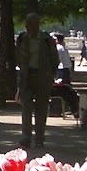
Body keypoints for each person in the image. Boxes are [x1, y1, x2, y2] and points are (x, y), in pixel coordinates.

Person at [15, 12, 56, 152]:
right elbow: (18, 57)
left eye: (31, 24)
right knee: (26, 108)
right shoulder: (22, 38)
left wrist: (50, 76)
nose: (28, 27)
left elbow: (54, 59)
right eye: (27, 24)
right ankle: (26, 137)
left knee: (41, 109)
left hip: (42, 78)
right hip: (27, 77)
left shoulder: (46, 40)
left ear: (37, 25)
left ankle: (39, 138)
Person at [52, 32, 80, 117]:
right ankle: (72, 108)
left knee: (66, 90)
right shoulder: (63, 48)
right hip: (64, 70)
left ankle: (69, 108)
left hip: (61, 71)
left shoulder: (58, 48)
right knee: (67, 90)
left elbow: (57, 61)